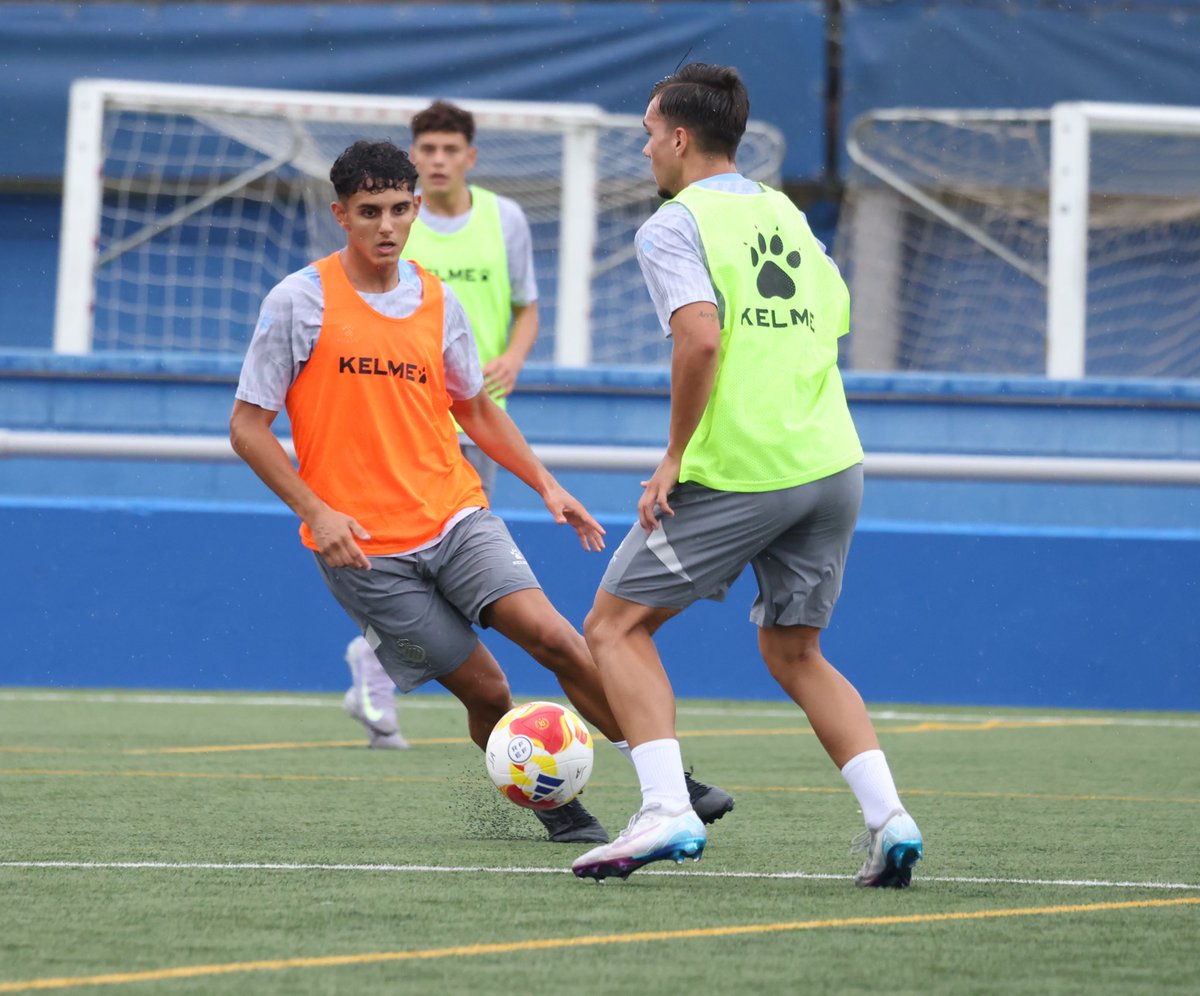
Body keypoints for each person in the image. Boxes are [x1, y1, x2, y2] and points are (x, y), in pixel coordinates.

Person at [230, 140, 731, 844]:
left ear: (415, 210)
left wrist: (546, 484)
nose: (386, 226)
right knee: (489, 689)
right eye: (369, 212)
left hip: (456, 515)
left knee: (557, 640)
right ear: (341, 215)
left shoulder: (438, 300)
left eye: (399, 209)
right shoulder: (297, 301)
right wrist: (317, 510)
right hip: (365, 553)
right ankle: (557, 808)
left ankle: (670, 783)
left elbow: (475, 409)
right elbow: (247, 428)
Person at [571, 64, 923, 885]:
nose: (646, 150)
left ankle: (666, 808)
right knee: (795, 651)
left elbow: (700, 338)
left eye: (649, 134)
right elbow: (833, 315)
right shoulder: (785, 213)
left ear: (680, 137)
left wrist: (673, 456)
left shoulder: (672, 225)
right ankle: (890, 819)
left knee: (614, 628)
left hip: (745, 466)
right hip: (831, 461)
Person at [341, 100, 539, 750]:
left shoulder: (505, 219)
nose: (438, 159)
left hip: (478, 419)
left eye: (451, 149)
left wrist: (513, 356)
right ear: (414, 156)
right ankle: (377, 660)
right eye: (427, 149)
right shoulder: (396, 220)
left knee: (456, 570)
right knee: (408, 563)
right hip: (406, 423)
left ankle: (373, 658)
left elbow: (527, 307)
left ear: (470, 157)